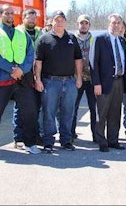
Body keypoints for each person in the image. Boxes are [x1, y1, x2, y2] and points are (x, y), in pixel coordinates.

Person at [0, 4, 40, 160]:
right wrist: (11, 69)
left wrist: (22, 70)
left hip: (22, 79)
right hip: (1, 79)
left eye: (12, 13)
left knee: (29, 112)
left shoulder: (21, 33)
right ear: (0, 15)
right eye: (6, 13)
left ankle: (30, 143)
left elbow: (30, 54)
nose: (10, 15)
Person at [34, 10, 82, 152]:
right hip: (50, 82)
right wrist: (38, 79)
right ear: (51, 22)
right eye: (56, 20)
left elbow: (78, 60)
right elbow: (38, 62)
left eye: (62, 20)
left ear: (65, 22)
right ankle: (48, 141)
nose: (59, 22)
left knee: (68, 112)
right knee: (49, 112)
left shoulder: (72, 38)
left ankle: (66, 140)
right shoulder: (44, 39)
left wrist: (79, 77)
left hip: (70, 81)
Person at [89, 13, 126, 152]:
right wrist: (96, 83)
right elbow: (93, 63)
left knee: (115, 113)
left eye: (119, 23)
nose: (116, 25)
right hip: (104, 82)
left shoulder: (122, 41)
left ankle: (113, 140)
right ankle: (101, 141)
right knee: (102, 113)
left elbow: (122, 61)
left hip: (119, 81)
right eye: (114, 22)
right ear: (109, 24)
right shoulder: (100, 39)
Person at [13, 9, 44, 149]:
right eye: (29, 19)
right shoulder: (17, 32)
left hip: (37, 73)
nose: (32, 21)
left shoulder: (40, 33)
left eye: (34, 19)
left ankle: (35, 135)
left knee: (36, 106)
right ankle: (18, 137)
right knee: (20, 107)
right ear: (23, 18)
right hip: (22, 73)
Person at [72, 14, 97, 143]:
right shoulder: (71, 39)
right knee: (73, 108)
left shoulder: (95, 39)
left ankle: (96, 135)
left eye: (86, 23)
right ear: (78, 25)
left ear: (89, 25)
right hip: (76, 79)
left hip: (91, 80)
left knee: (94, 109)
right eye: (81, 23)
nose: (84, 25)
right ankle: (71, 134)